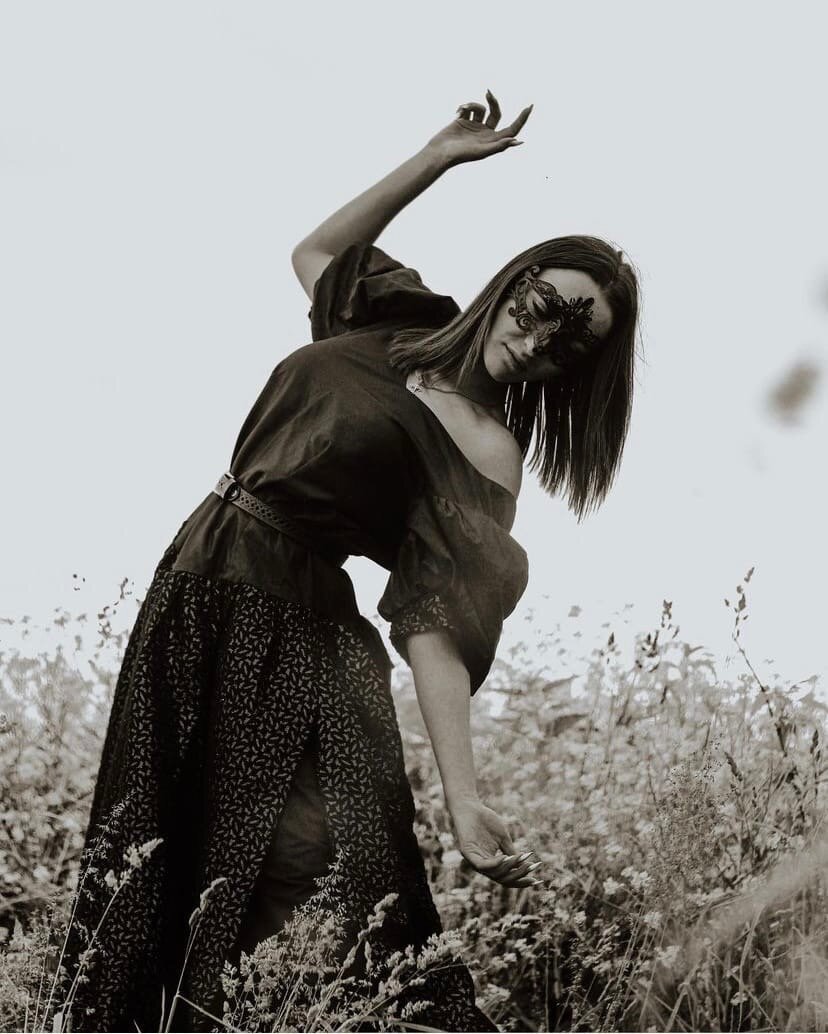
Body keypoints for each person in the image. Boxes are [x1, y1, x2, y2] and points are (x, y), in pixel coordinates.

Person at [61, 91, 640, 1032]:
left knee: (322, 883)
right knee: (151, 855)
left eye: (569, 346)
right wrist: (437, 156)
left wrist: (464, 796)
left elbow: (440, 620)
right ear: (514, 282)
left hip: (297, 635)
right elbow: (316, 251)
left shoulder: (489, 450)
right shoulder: (395, 316)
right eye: (541, 311)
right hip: (195, 593)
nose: (539, 343)